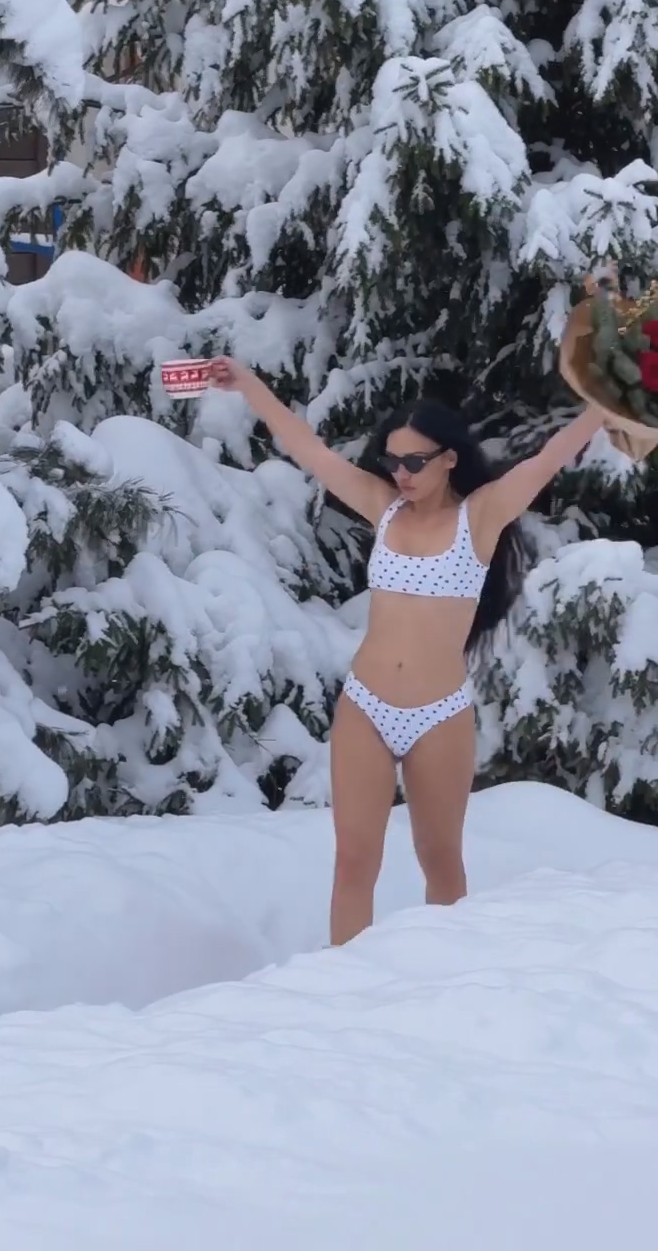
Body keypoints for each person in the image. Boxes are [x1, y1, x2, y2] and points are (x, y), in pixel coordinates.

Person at [206, 359, 606, 945]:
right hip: (365, 706)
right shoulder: (383, 506)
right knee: (353, 861)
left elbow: (547, 459)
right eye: (392, 461)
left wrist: (610, 403)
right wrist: (248, 385)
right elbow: (309, 450)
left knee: (440, 861)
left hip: (438, 715)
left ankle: (437, 981)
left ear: (449, 458)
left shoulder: (480, 517)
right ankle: (344, 981)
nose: (401, 474)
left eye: (414, 461)